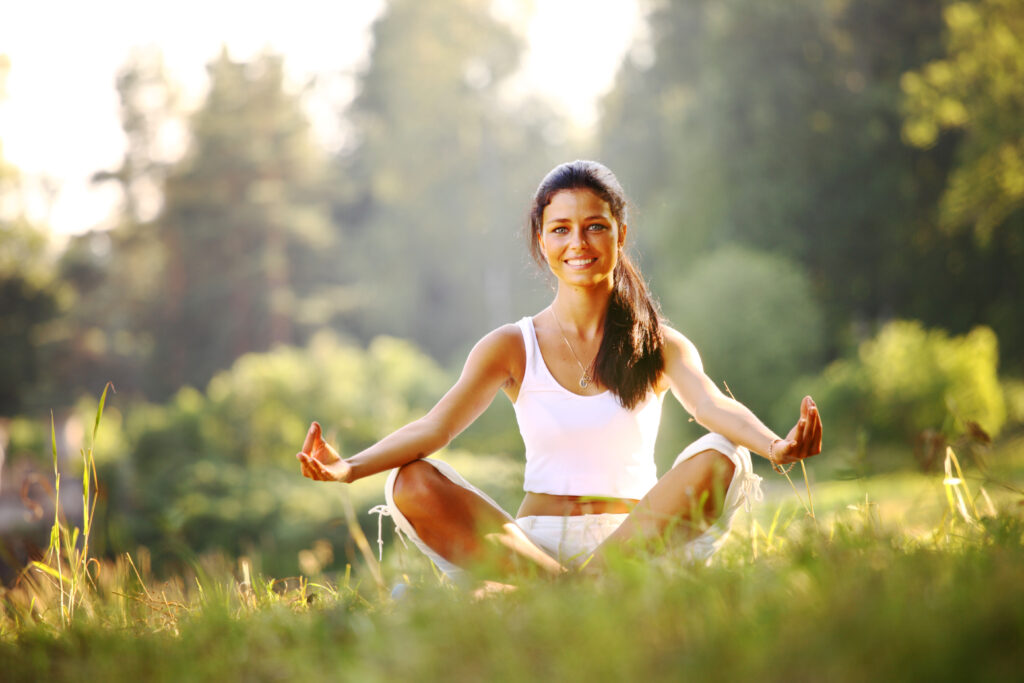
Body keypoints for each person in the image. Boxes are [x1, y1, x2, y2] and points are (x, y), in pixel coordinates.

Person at [295, 160, 822, 582]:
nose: (579, 244)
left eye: (596, 227)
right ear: (541, 240)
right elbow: (433, 430)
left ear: (619, 235)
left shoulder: (659, 345)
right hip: (532, 550)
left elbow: (711, 405)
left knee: (722, 454)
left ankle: (581, 587)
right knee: (410, 480)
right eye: (561, 229)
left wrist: (775, 445)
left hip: (635, 543)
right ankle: (568, 589)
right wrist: (348, 469)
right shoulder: (510, 346)